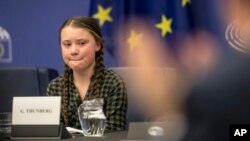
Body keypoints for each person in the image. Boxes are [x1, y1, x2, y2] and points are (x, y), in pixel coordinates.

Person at [46, 16, 127, 131]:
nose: (73, 51)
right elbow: (53, 133)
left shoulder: (113, 83)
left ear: (97, 45)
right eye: (67, 44)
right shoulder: (55, 86)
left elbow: (114, 132)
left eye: (82, 43)